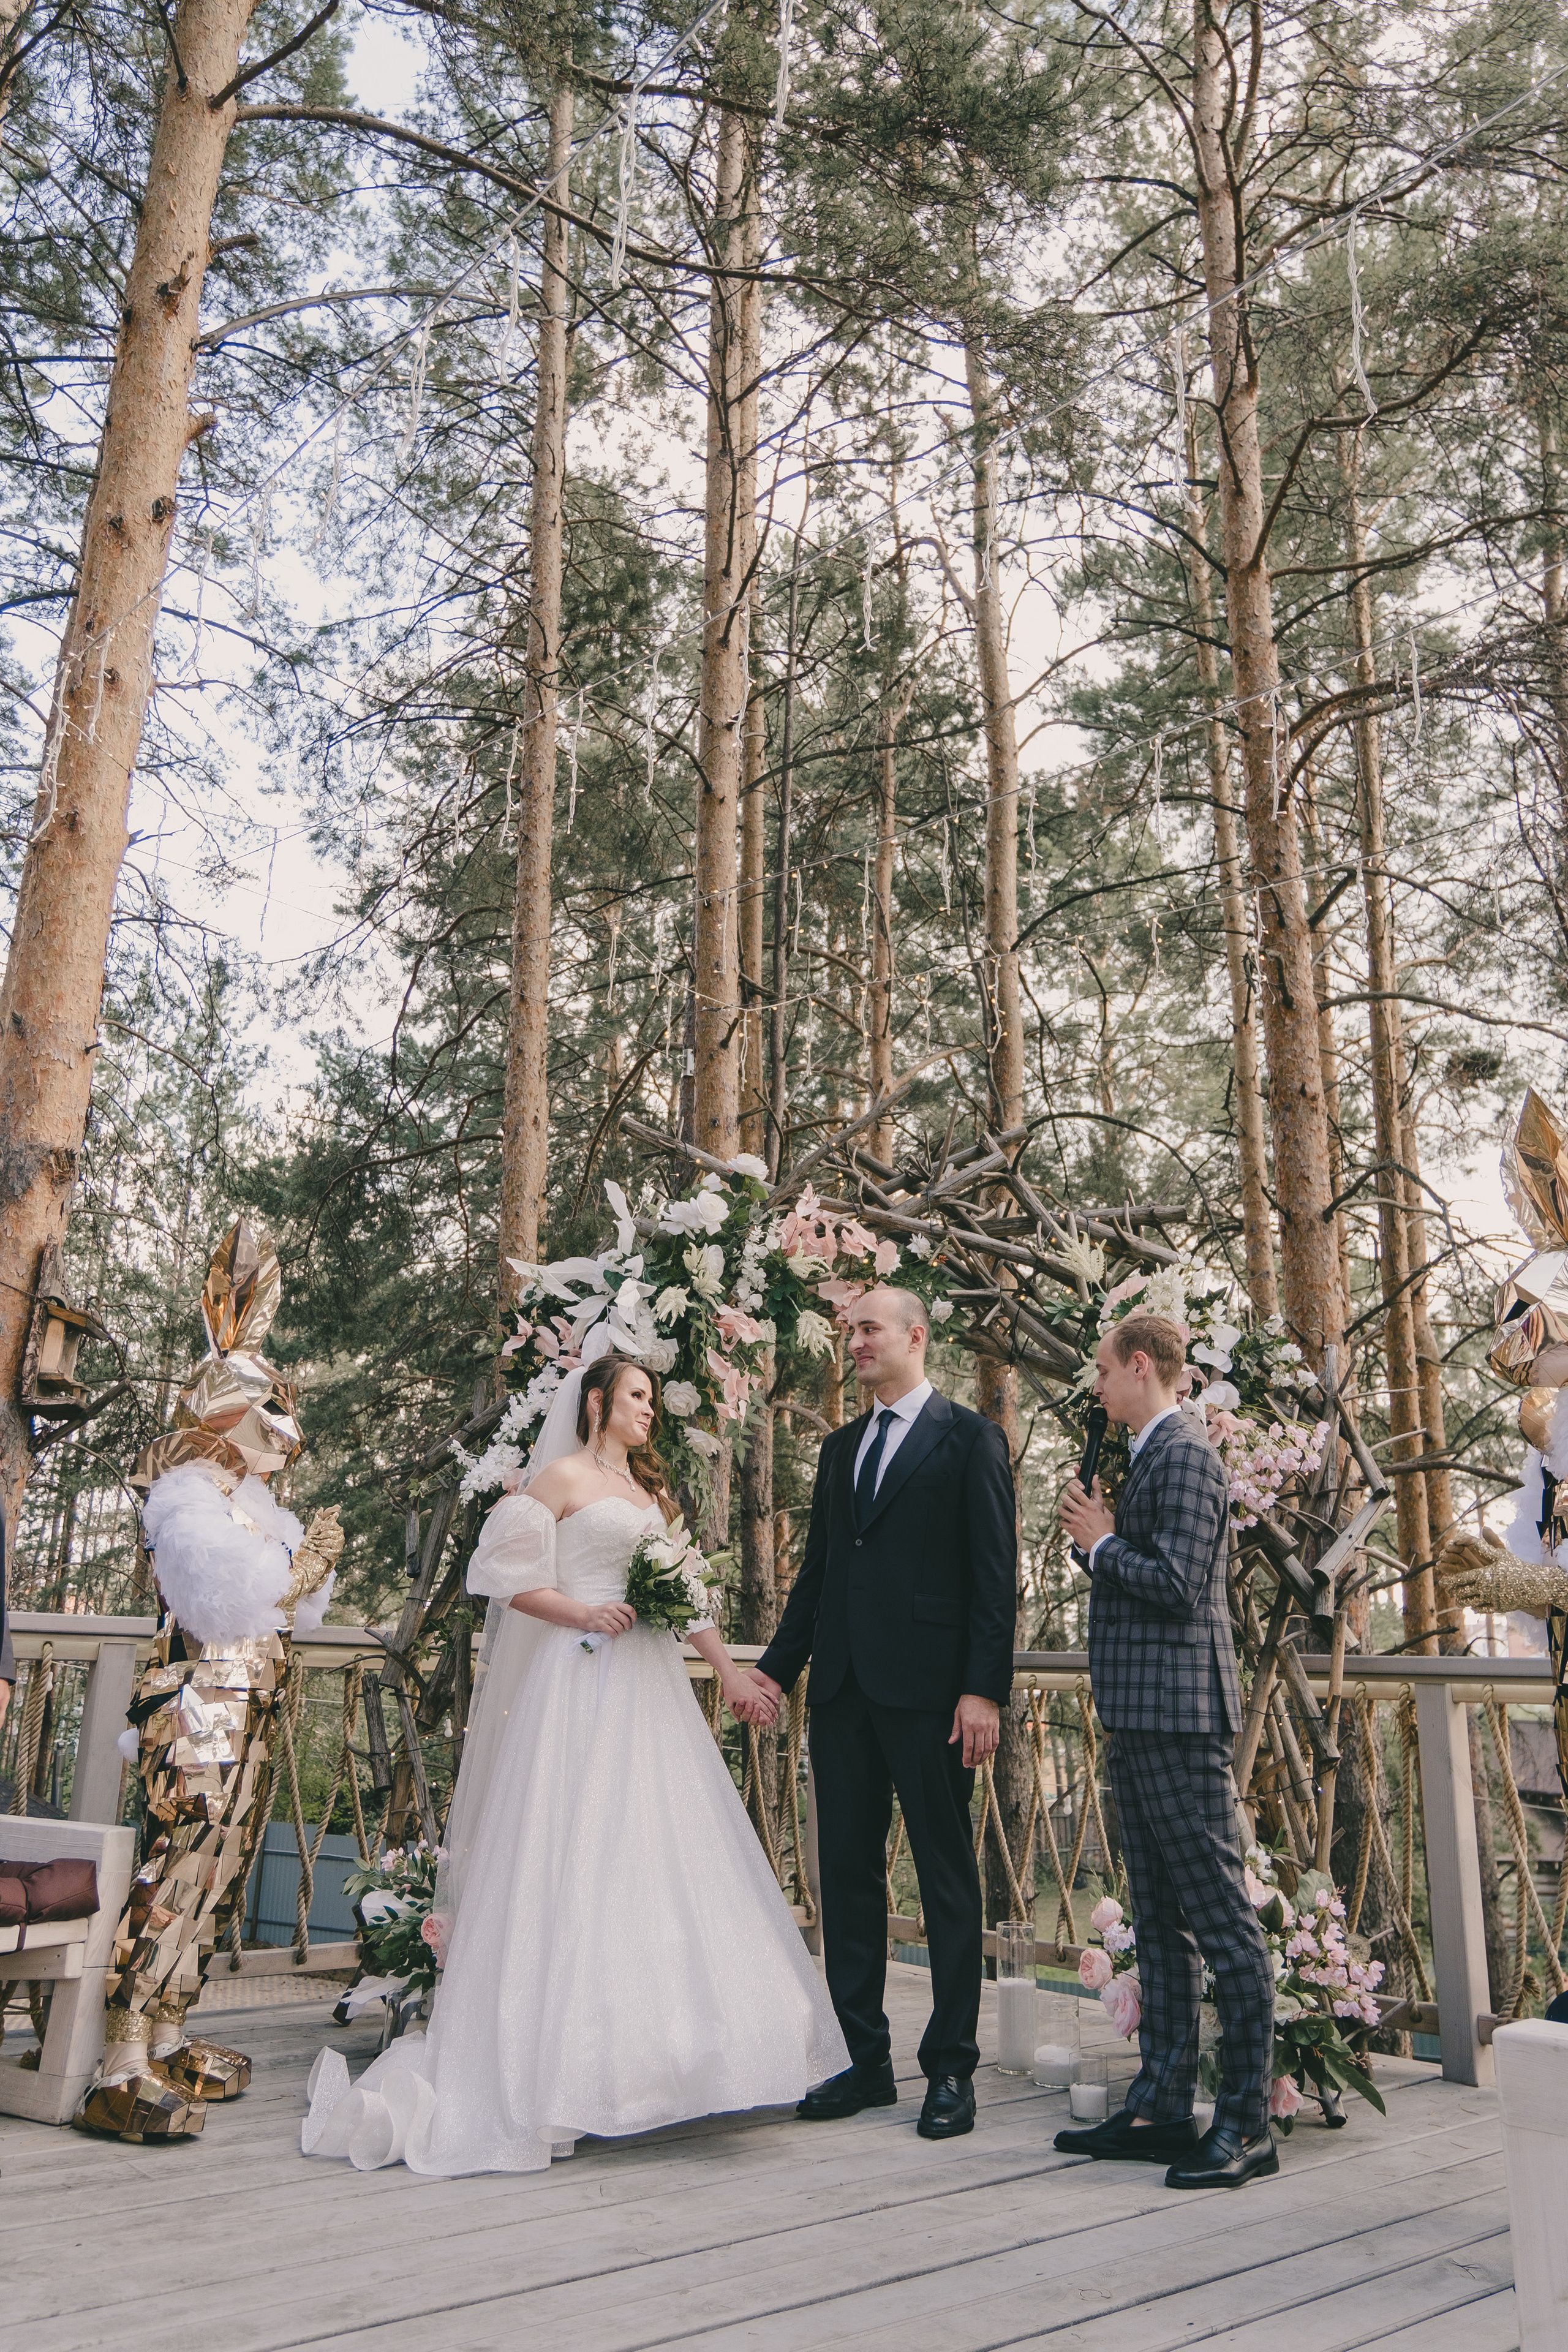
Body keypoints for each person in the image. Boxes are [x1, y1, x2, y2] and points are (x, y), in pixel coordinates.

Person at [303, 1351, 846, 2174]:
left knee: (657, 1855)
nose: (648, 1411)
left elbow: (687, 1592)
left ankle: (675, 2066)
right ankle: (563, 2070)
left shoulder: (649, 1497)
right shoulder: (558, 1480)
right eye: (636, 1396)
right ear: (597, 1403)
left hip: (649, 1689)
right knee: (574, 1849)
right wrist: (584, 1609)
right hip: (580, 1679)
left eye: (652, 1399)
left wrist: (733, 1674)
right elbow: (505, 1577)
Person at [750, 1288, 1016, 2142]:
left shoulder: (970, 1437)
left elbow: (992, 1575)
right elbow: (819, 1575)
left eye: (868, 1328)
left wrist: (983, 1690)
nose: (853, 1341)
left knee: (945, 1879)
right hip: (843, 1696)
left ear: (915, 1336)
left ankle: (950, 2071)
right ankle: (864, 2063)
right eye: (848, 1330)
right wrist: (775, 1673)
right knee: (847, 1881)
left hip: (935, 1698)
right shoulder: (839, 1450)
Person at [1058, 1310, 1277, 2190]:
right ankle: (1160, 2104)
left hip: (1181, 1722)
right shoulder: (1148, 1453)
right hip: (1141, 1716)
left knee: (1222, 1925)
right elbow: (1139, 1570)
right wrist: (1102, 1537)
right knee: (1159, 1924)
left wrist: (1101, 1540)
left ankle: (1249, 2124)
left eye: (1105, 1373)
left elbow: (1184, 1587)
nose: (1098, 1388)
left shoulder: (1185, 1453)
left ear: (1141, 1366)